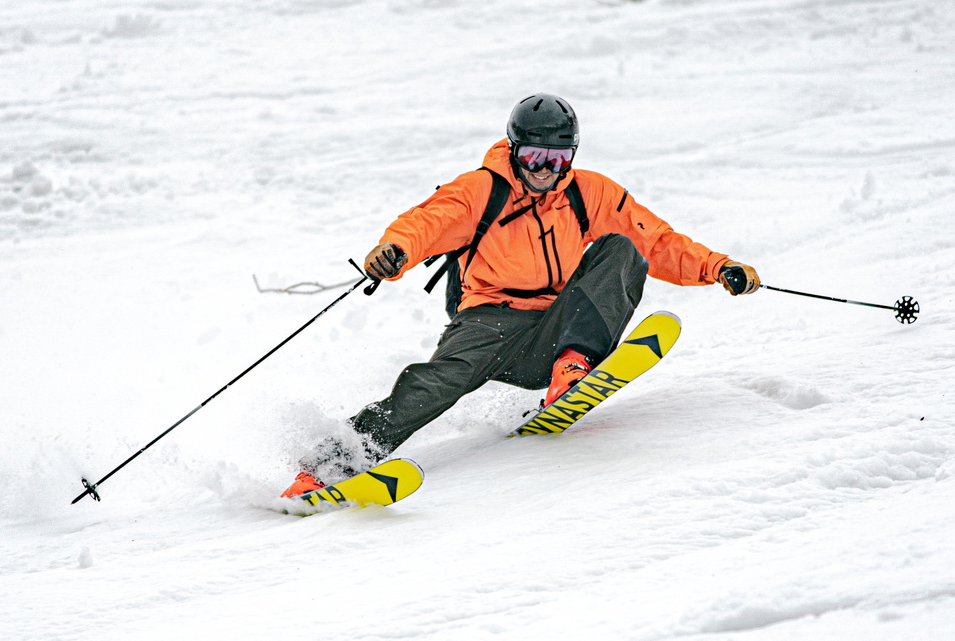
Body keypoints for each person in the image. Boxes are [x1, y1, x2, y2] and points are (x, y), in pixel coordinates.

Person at [281, 93, 761, 497]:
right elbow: (428, 220)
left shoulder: (589, 193)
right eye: (534, 157)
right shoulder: (480, 190)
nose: (545, 170)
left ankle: (571, 369)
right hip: (488, 322)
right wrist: (394, 250)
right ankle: (324, 467)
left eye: (557, 159)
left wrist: (718, 268)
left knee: (623, 249)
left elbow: (655, 240)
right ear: (514, 150)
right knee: (435, 384)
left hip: (555, 329)